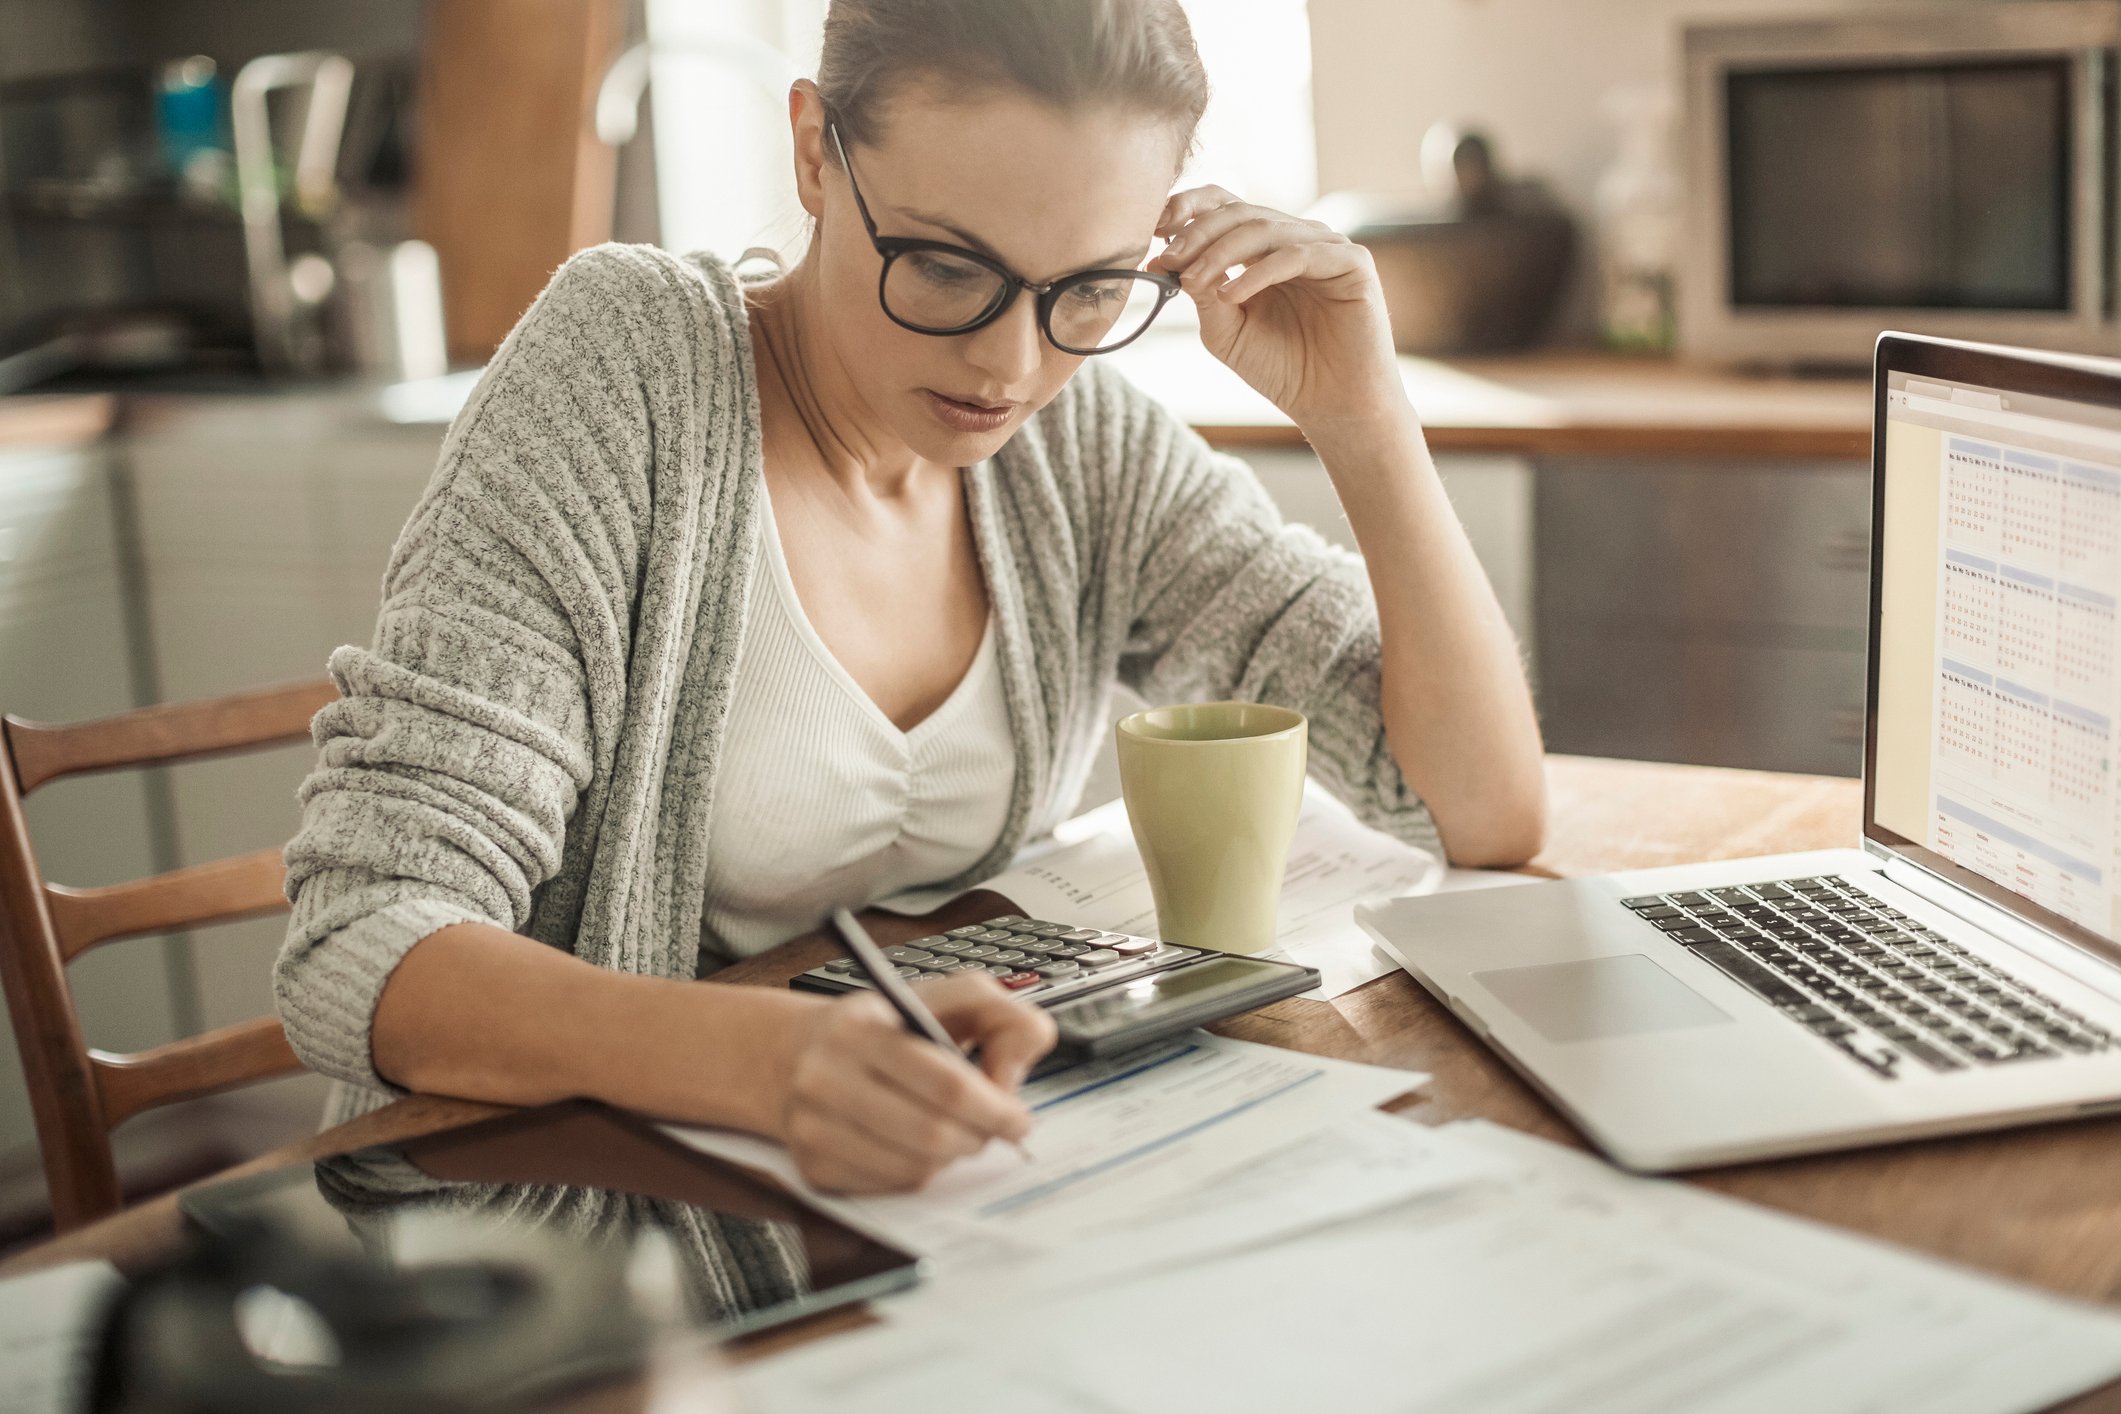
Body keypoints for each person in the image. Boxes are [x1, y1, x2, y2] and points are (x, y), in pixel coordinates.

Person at [275, 0, 1545, 1195]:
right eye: (945, 266)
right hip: (565, 1230)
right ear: (816, 153)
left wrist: (1365, 418)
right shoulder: (629, 371)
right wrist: (765, 1059)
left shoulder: (1081, 444)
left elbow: (1477, 807)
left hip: (920, 1197)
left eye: (1089, 288)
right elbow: (363, 941)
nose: (1010, 365)